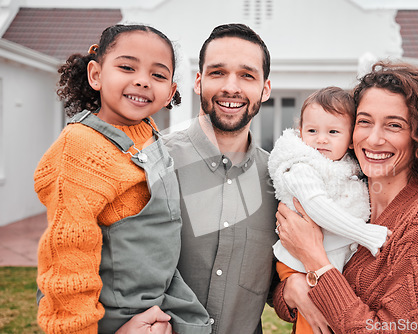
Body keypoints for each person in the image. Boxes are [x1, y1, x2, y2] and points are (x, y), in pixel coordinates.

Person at [272, 61, 418, 334]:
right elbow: (283, 295)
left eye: (394, 125)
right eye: (364, 122)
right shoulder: (350, 193)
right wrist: (294, 289)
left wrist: (315, 260)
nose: (374, 139)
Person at [34, 24, 211, 334]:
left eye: (158, 75)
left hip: (156, 305)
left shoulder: (148, 134)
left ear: (170, 91)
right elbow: (68, 256)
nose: (142, 81)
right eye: (127, 67)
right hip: (111, 319)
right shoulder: (80, 147)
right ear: (96, 75)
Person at [122, 23, 279, 334]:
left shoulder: (280, 181)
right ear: (198, 81)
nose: (231, 87)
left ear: (265, 88)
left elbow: (282, 279)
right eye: (218, 72)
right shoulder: (152, 163)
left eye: (247, 75)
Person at [268, 86, 389, 334]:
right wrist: (366, 234)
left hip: (326, 256)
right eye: (312, 131)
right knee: (314, 324)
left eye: (333, 132)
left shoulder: (347, 167)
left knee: (331, 317)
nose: (321, 139)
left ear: (350, 138)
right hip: (298, 263)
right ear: (300, 132)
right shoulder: (301, 166)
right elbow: (317, 206)